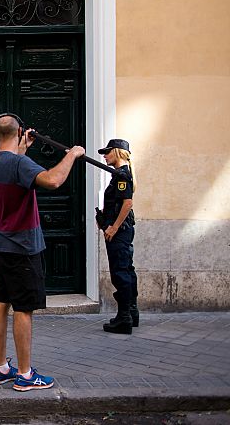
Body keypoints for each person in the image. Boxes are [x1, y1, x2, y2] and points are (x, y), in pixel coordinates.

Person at [0, 114, 84, 392]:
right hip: (23, 248)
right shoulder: (18, 164)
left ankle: (0, 367)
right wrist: (73, 155)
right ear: (17, 133)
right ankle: (26, 375)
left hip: (0, 244)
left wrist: (23, 148)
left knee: (1, 302)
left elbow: (14, 169)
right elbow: (52, 181)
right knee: (24, 309)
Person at [97, 138, 138, 335]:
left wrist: (113, 227)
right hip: (122, 229)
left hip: (119, 231)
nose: (104, 155)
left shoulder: (122, 175)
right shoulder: (120, 174)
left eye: (107, 151)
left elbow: (127, 203)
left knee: (120, 272)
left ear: (118, 152)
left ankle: (124, 319)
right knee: (127, 269)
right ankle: (131, 312)